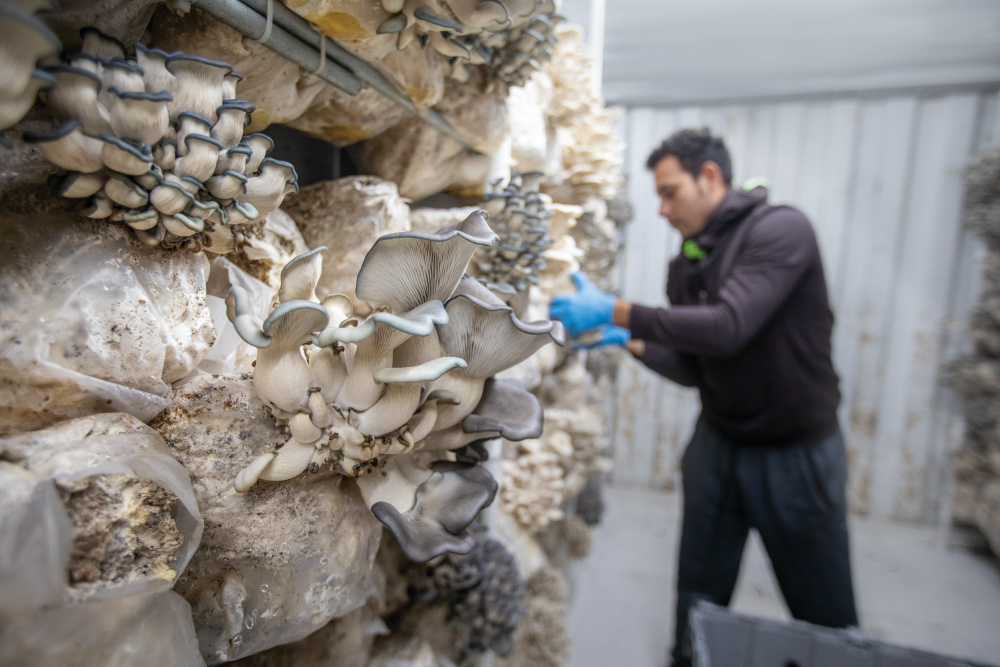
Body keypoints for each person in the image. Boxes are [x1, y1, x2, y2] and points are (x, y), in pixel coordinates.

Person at [550, 127, 859, 666]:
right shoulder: (687, 265)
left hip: (795, 455)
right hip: (718, 445)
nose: (662, 210)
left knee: (822, 608)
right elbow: (698, 367)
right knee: (698, 589)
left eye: (670, 192)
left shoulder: (781, 231)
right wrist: (634, 342)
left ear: (709, 177)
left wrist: (616, 310)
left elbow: (729, 326)